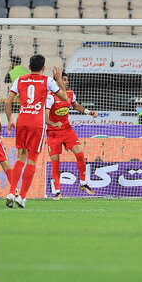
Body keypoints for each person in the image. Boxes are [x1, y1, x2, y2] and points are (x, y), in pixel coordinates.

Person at [5, 54, 68, 208]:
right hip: (37, 123)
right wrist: (58, 78)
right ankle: (23, 197)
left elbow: (8, 102)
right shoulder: (47, 80)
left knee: (20, 158)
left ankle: (12, 192)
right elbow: (65, 97)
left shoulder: (20, 79)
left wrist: (10, 121)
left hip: (22, 121)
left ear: (29, 66)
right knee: (32, 160)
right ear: (44, 68)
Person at [45, 71, 98, 200]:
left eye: (67, 79)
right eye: (64, 79)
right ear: (57, 81)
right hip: (53, 133)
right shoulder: (50, 97)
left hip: (67, 131)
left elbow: (76, 106)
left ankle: (83, 183)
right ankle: (57, 191)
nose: (67, 82)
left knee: (80, 153)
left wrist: (88, 112)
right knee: (55, 162)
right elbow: (44, 116)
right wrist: (54, 123)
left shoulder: (70, 94)